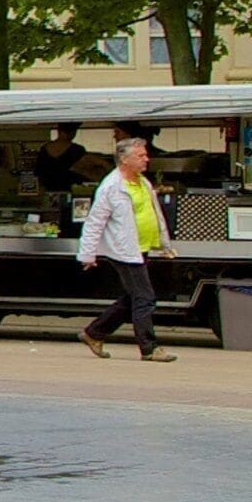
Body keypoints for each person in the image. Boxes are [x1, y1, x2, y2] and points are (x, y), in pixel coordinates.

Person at [77, 133, 176, 362]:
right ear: (125, 160)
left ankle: (94, 333)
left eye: (146, 155)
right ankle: (149, 348)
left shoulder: (142, 181)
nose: (146, 159)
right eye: (141, 156)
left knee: (133, 297)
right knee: (145, 297)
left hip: (141, 246)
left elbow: (153, 214)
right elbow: (95, 221)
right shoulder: (111, 187)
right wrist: (88, 254)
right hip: (124, 250)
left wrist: (163, 244)